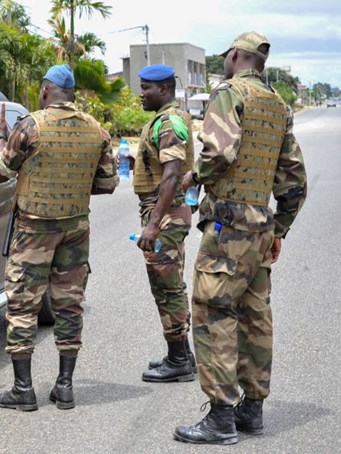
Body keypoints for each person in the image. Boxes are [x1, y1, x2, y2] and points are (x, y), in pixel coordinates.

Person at [174, 32, 307, 444]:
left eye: (226, 59)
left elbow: (218, 154)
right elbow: (295, 181)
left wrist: (194, 179)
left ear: (235, 56)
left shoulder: (229, 94)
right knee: (254, 316)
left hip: (228, 227)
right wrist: (278, 229)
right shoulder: (277, 104)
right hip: (261, 227)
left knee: (214, 312)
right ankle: (252, 410)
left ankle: (219, 418)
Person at [0, 64, 117, 411]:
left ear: (46, 91)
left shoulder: (29, 126)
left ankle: (23, 389)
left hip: (33, 230)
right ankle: (64, 386)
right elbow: (107, 184)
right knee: (69, 304)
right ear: (72, 94)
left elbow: (1, 170)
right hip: (75, 229)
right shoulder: (97, 131)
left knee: (22, 304)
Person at [131, 64, 196, 383]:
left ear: (164, 90)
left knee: (166, 286)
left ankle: (180, 359)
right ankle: (180, 353)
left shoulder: (168, 122)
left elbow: (171, 174)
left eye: (146, 88)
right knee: (171, 284)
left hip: (166, 213)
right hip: (169, 211)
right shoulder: (168, 119)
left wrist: (153, 224)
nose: (141, 94)